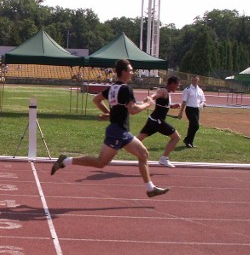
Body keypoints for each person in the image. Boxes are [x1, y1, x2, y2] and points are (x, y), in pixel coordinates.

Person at [50, 59, 170, 198]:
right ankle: (65, 160)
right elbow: (133, 110)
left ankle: (150, 188)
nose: (132, 72)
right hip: (119, 132)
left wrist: (109, 113)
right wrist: (148, 104)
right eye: (130, 70)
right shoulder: (126, 88)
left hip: (118, 130)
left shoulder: (113, 88)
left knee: (141, 155)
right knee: (102, 162)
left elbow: (97, 100)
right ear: (124, 72)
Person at [136, 76, 181, 168]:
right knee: (176, 137)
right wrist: (150, 98)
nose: (178, 87)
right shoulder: (163, 91)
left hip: (152, 120)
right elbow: (155, 96)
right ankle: (164, 158)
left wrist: (173, 106)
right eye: (177, 85)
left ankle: (118, 145)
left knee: (137, 139)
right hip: (157, 121)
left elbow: (164, 104)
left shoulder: (167, 93)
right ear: (172, 84)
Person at [178, 74, 207, 148]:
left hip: (197, 109)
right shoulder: (187, 89)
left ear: (198, 80)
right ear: (191, 80)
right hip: (189, 109)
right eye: (193, 80)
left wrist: (203, 104)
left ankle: (189, 142)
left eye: (195, 80)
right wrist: (181, 112)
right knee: (196, 125)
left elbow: (203, 100)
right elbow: (184, 102)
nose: (194, 81)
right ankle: (187, 140)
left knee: (192, 126)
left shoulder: (200, 90)